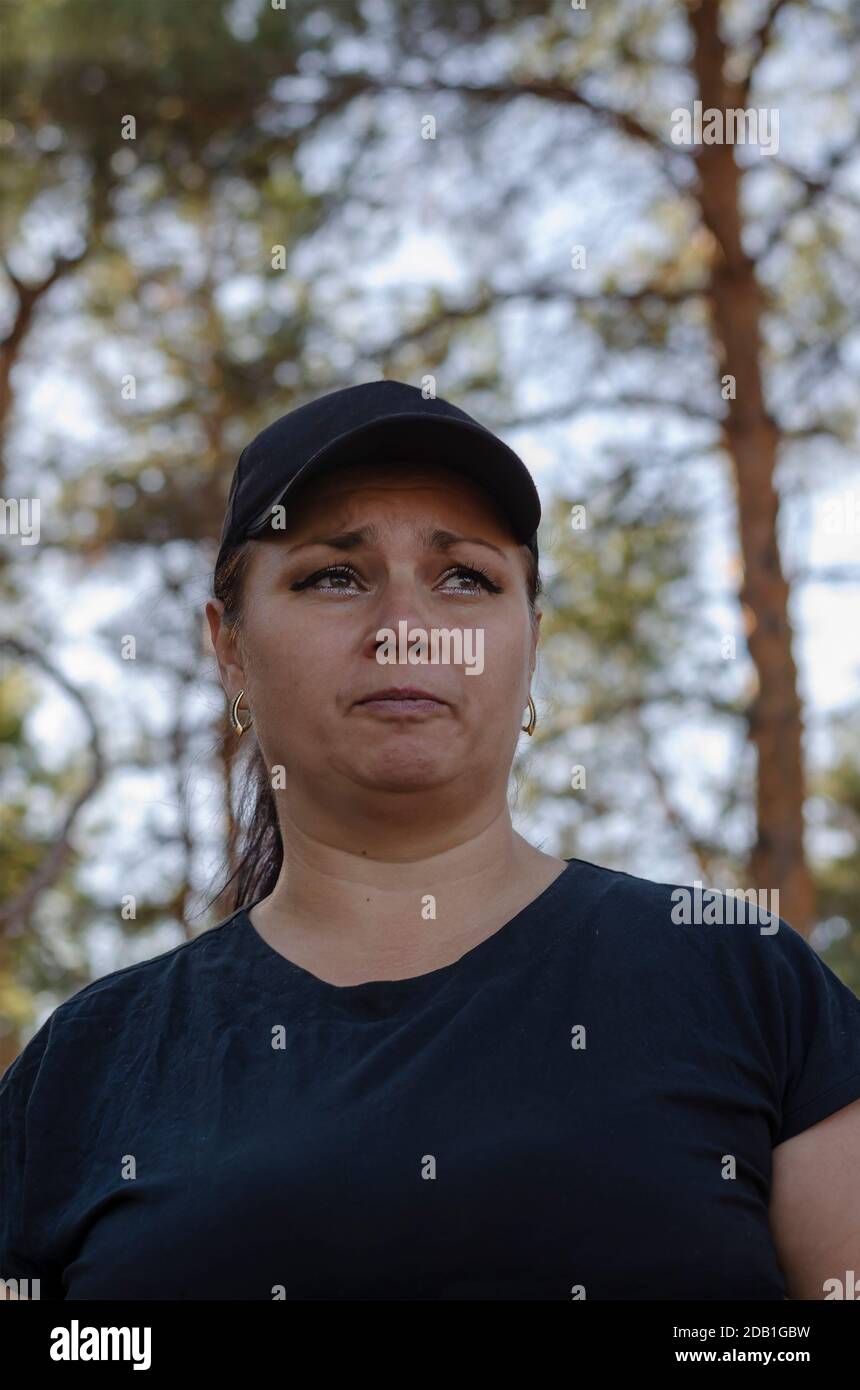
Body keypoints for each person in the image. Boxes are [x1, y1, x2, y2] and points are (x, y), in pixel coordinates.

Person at [2, 379, 859, 1301]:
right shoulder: (84, 1069)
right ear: (230, 649)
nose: (408, 632)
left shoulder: (743, 980)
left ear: (532, 640)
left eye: (466, 579)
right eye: (333, 575)